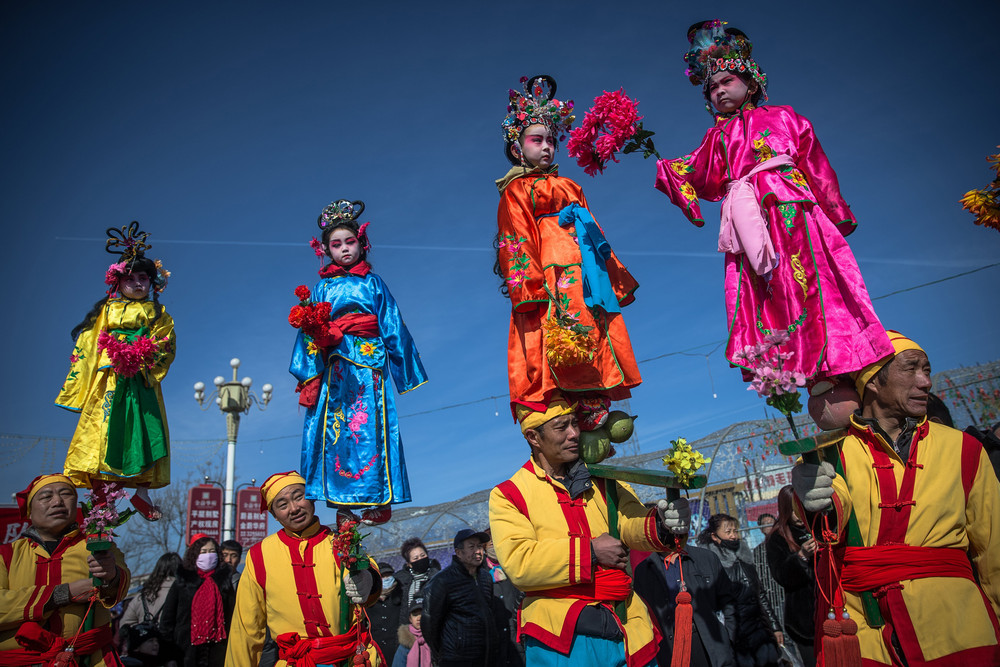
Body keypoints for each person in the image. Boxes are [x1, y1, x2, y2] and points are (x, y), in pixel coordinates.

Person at [655, 21, 891, 394]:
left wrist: (836, 211)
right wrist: (665, 166)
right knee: (771, 288)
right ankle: (796, 361)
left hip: (794, 209)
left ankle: (839, 350)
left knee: (817, 280)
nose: (719, 91)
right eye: (712, 88)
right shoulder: (714, 137)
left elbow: (816, 164)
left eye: (727, 82)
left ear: (750, 82)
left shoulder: (784, 116)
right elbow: (698, 172)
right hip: (750, 221)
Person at [791, 331, 1000, 665]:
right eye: (912, 369)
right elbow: (829, 520)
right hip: (867, 638)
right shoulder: (826, 457)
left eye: (927, 370)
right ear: (873, 380)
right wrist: (810, 495)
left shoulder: (964, 448)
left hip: (962, 632)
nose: (926, 381)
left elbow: (994, 552)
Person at [488, 397, 691, 666]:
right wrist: (591, 552)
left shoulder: (601, 479)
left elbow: (630, 522)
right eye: (562, 427)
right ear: (533, 437)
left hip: (629, 627)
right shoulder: (508, 495)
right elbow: (520, 563)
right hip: (563, 641)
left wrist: (664, 524)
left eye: (575, 423)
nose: (574, 433)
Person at [495, 74, 641, 432]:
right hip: (550, 277)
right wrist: (528, 289)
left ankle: (595, 402)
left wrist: (612, 277)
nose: (546, 147)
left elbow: (594, 231)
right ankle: (567, 410)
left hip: (584, 272)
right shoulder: (516, 190)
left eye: (551, 141)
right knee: (558, 333)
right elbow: (514, 239)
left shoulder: (569, 185)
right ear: (517, 148)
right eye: (536, 140)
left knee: (591, 327)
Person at [289, 200, 428, 525]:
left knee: (373, 432)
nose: (344, 249)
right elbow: (308, 334)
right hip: (337, 370)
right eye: (336, 244)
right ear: (325, 250)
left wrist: (405, 372)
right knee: (336, 435)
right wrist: (309, 377)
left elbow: (392, 324)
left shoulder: (374, 283)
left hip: (370, 368)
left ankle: (380, 501)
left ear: (361, 244)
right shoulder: (322, 287)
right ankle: (342, 506)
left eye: (349, 242)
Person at [55, 222, 176, 519]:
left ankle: (142, 493)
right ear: (118, 282)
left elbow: (166, 344)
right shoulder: (107, 311)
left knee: (147, 433)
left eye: (143, 278)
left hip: (141, 382)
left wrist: (142, 355)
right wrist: (111, 354)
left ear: (152, 283)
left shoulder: (159, 314)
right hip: (109, 381)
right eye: (130, 278)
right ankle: (102, 499)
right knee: (102, 432)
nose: (137, 283)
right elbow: (89, 344)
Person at [224, 471, 382, 666]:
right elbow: (246, 630)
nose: (294, 508)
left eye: (299, 497)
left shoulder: (342, 541)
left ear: (312, 498)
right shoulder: (259, 556)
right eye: (282, 505)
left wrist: (370, 580)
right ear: (274, 515)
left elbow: (370, 573)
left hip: (350, 659)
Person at [0, 474, 130, 665]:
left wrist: (111, 576)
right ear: (29, 510)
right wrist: (64, 593)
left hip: (87, 659)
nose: (58, 501)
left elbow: (118, 590)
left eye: (66, 494)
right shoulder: (6, 555)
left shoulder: (98, 547)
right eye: (46, 496)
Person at [633, 540, 737, 667]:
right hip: (671, 648)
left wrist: (729, 639)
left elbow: (731, 603)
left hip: (709, 643)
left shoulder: (706, 558)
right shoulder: (644, 571)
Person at [697, 514, 781, 666]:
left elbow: (760, 595)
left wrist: (775, 627)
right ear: (715, 537)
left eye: (735, 531)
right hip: (735, 636)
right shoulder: (710, 565)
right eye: (728, 532)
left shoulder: (745, 558)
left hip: (761, 630)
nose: (734, 536)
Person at [421, 528, 499, 667]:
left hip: (486, 657)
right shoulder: (442, 581)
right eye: (471, 547)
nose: (478, 551)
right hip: (457, 659)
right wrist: (442, 652)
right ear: (459, 553)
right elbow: (430, 622)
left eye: (480, 546)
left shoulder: (485, 578)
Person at [159, 536, 235, 667]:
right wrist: (168, 656)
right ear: (194, 555)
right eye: (203, 552)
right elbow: (167, 621)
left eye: (212, 551)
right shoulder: (182, 583)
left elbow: (233, 618)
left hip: (218, 652)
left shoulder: (224, 583)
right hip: (184, 652)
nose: (209, 556)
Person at [765, 486, 816, 667]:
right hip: (805, 621)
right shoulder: (777, 538)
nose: (799, 515)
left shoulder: (818, 525)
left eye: (801, 508)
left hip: (834, 610)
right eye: (794, 510)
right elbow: (781, 575)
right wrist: (801, 557)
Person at [120, 552, 180, 649]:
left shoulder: (142, 595)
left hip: (145, 649)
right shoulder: (183, 592)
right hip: (174, 648)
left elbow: (124, 625)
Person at [484, 528, 525, 666]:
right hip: (496, 635)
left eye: (497, 543)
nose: (494, 547)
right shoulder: (482, 573)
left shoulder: (513, 566)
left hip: (516, 630)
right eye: (491, 544)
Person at [394, 537, 440, 627]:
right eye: (416, 558)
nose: (420, 559)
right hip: (411, 630)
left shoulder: (437, 577)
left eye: (423, 555)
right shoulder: (403, 582)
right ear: (409, 564)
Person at [369, 562, 403, 662]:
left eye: (388, 575)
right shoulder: (369, 600)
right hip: (377, 650)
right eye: (382, 576)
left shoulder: (401, 595)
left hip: (397, 650)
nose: (386, 578)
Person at [394, 598, 431, 667]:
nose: (419, 618)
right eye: (415, 614)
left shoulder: (436, 641)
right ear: (410, 619)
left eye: (422, 613)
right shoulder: (405, 644)